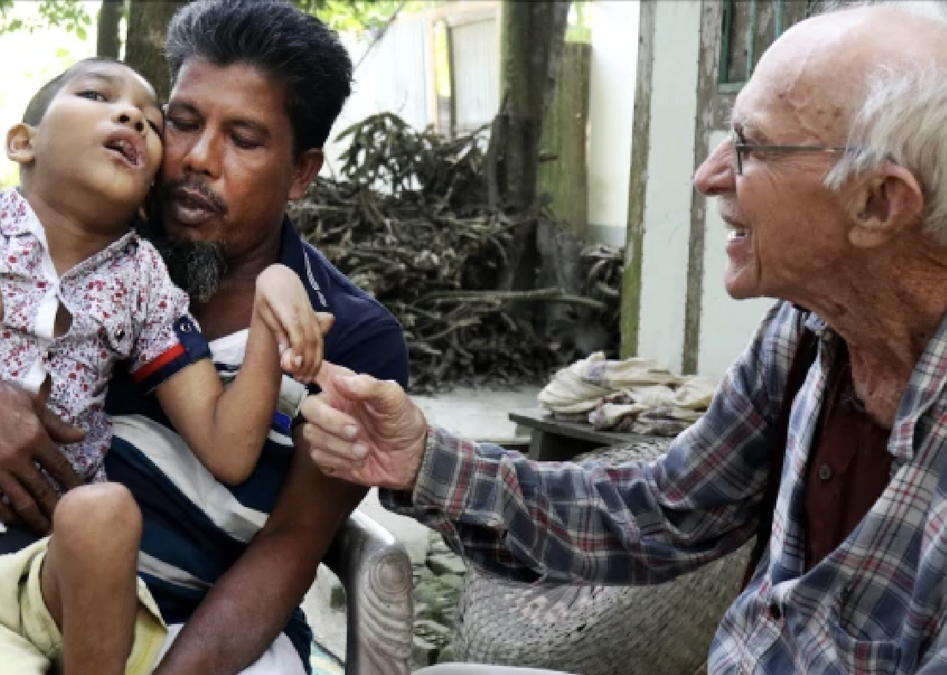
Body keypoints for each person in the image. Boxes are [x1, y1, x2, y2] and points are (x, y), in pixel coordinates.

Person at [300, 3, 947, 674]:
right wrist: (423, 459)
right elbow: (662, 512)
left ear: (878, 202)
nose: (709, 175)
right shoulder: (807, 332)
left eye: (750, 147)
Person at [0, 1, 409, 674]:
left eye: (244, 139)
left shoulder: (346, 335)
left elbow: (291, 541)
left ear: (301, 172)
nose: (198, 159)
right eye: (181, 123)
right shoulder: (85, 236)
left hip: (204, 637)